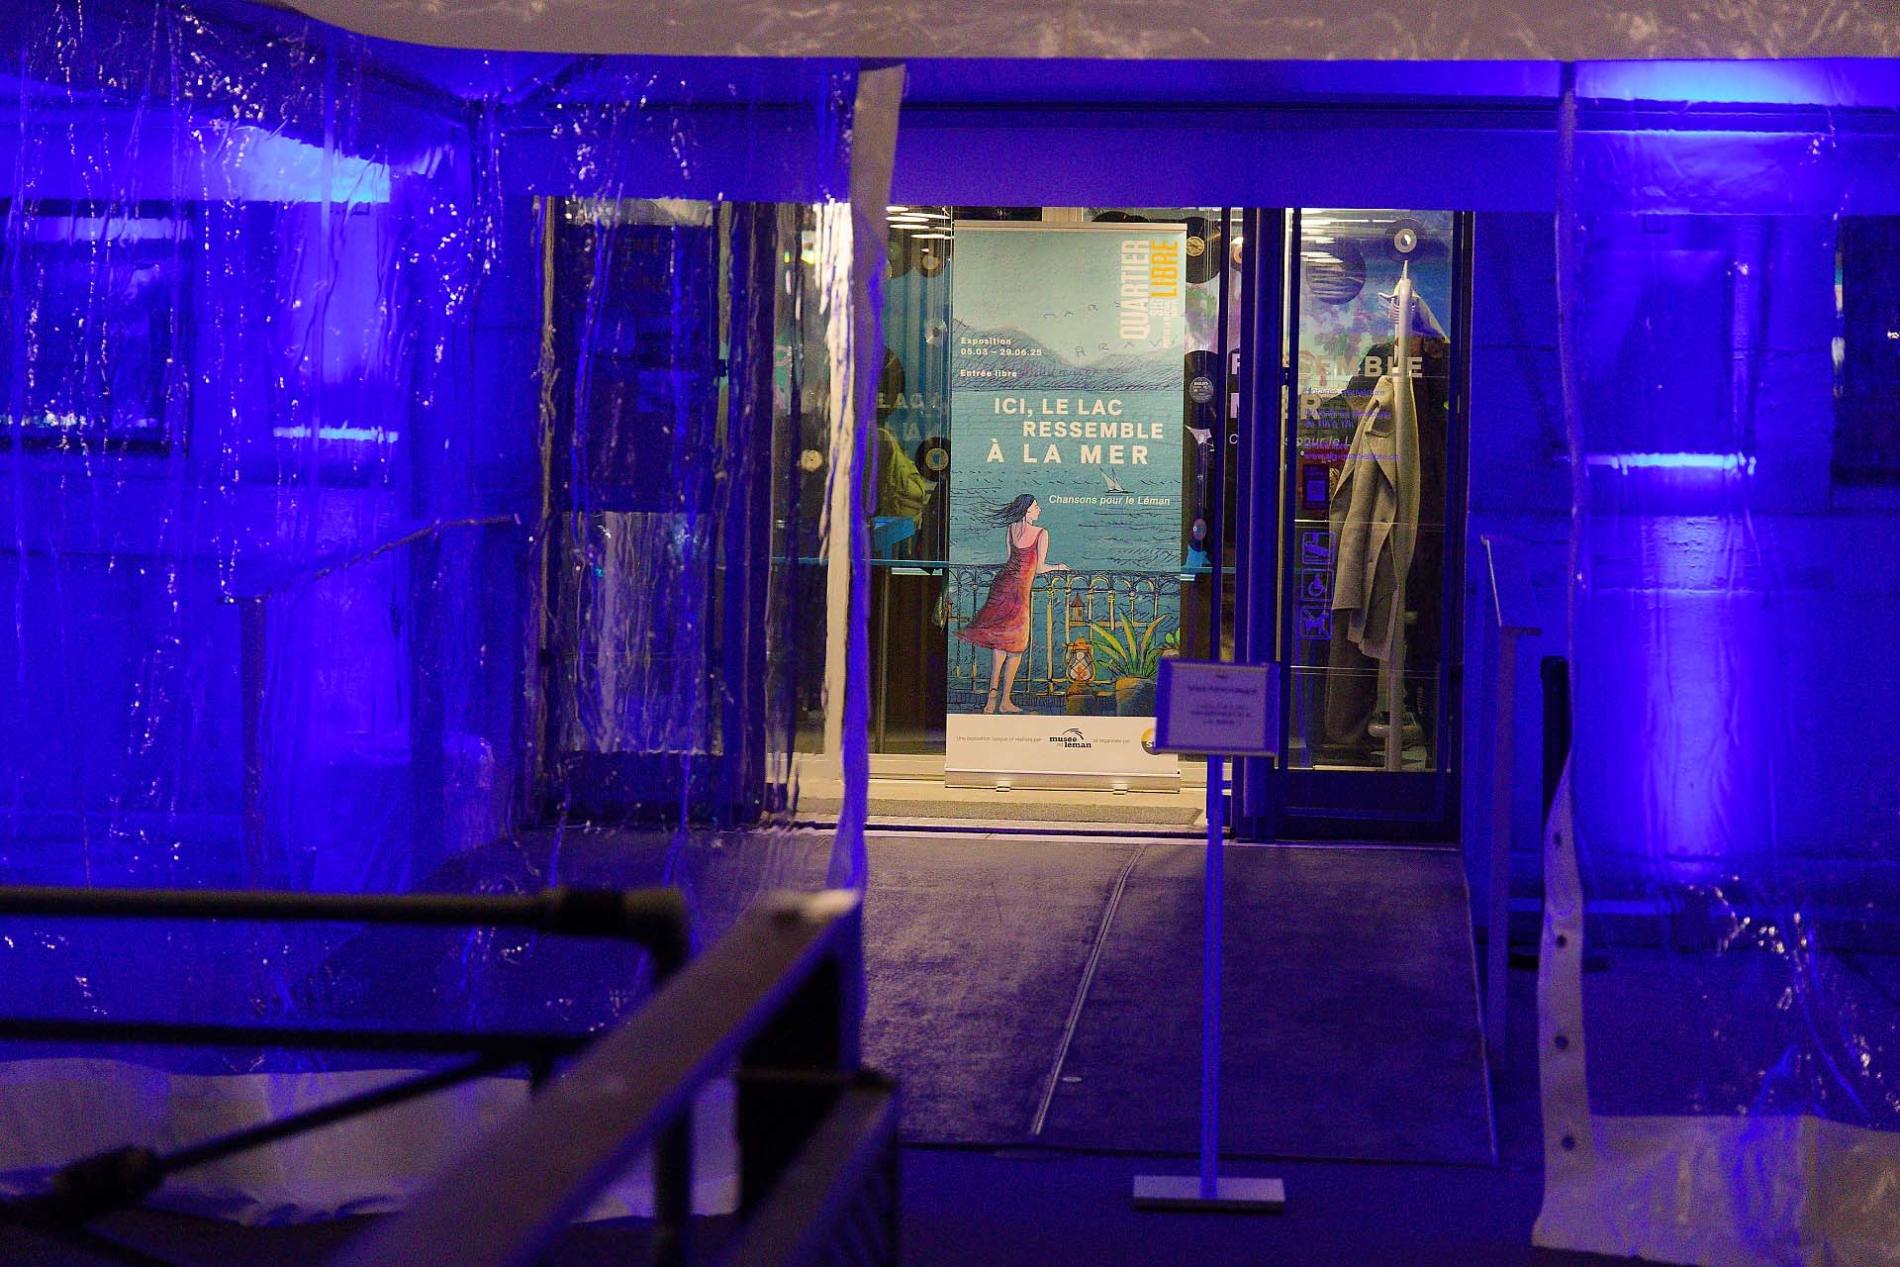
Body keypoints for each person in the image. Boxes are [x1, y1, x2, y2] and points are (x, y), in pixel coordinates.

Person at [955, 494, 1067, 714]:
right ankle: (1005, 700)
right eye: (1036, 506)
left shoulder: (1011, 529)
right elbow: (1040, 568)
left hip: (1002, 585)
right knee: (1016, 646)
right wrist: (1059, 567)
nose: (1039, 510)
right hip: (1019, 593)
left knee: (1001, 643)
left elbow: (1011, 560)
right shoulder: (1041, 533)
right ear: (1027, 510)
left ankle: (991, 700)